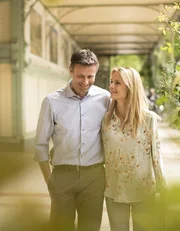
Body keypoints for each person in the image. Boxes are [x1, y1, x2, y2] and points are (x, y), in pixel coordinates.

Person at [34, 49, 110, 231]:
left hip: (94, 177)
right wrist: (50, 181)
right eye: (80, 76)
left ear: (96, 72)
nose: (85, 82)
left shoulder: (105, 99)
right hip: (62, 176)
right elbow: (40, 144)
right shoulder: (52, 101)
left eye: (90, 77)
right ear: (70, 71)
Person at [102, 67, 167, 231]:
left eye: (117, 82)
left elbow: (156, 156)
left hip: (144, 191)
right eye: (111, 81)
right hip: (114, 190)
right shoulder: (106, 120)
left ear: (131, 87)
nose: (111, 86)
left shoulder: (148, 119)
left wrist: (164, 190)